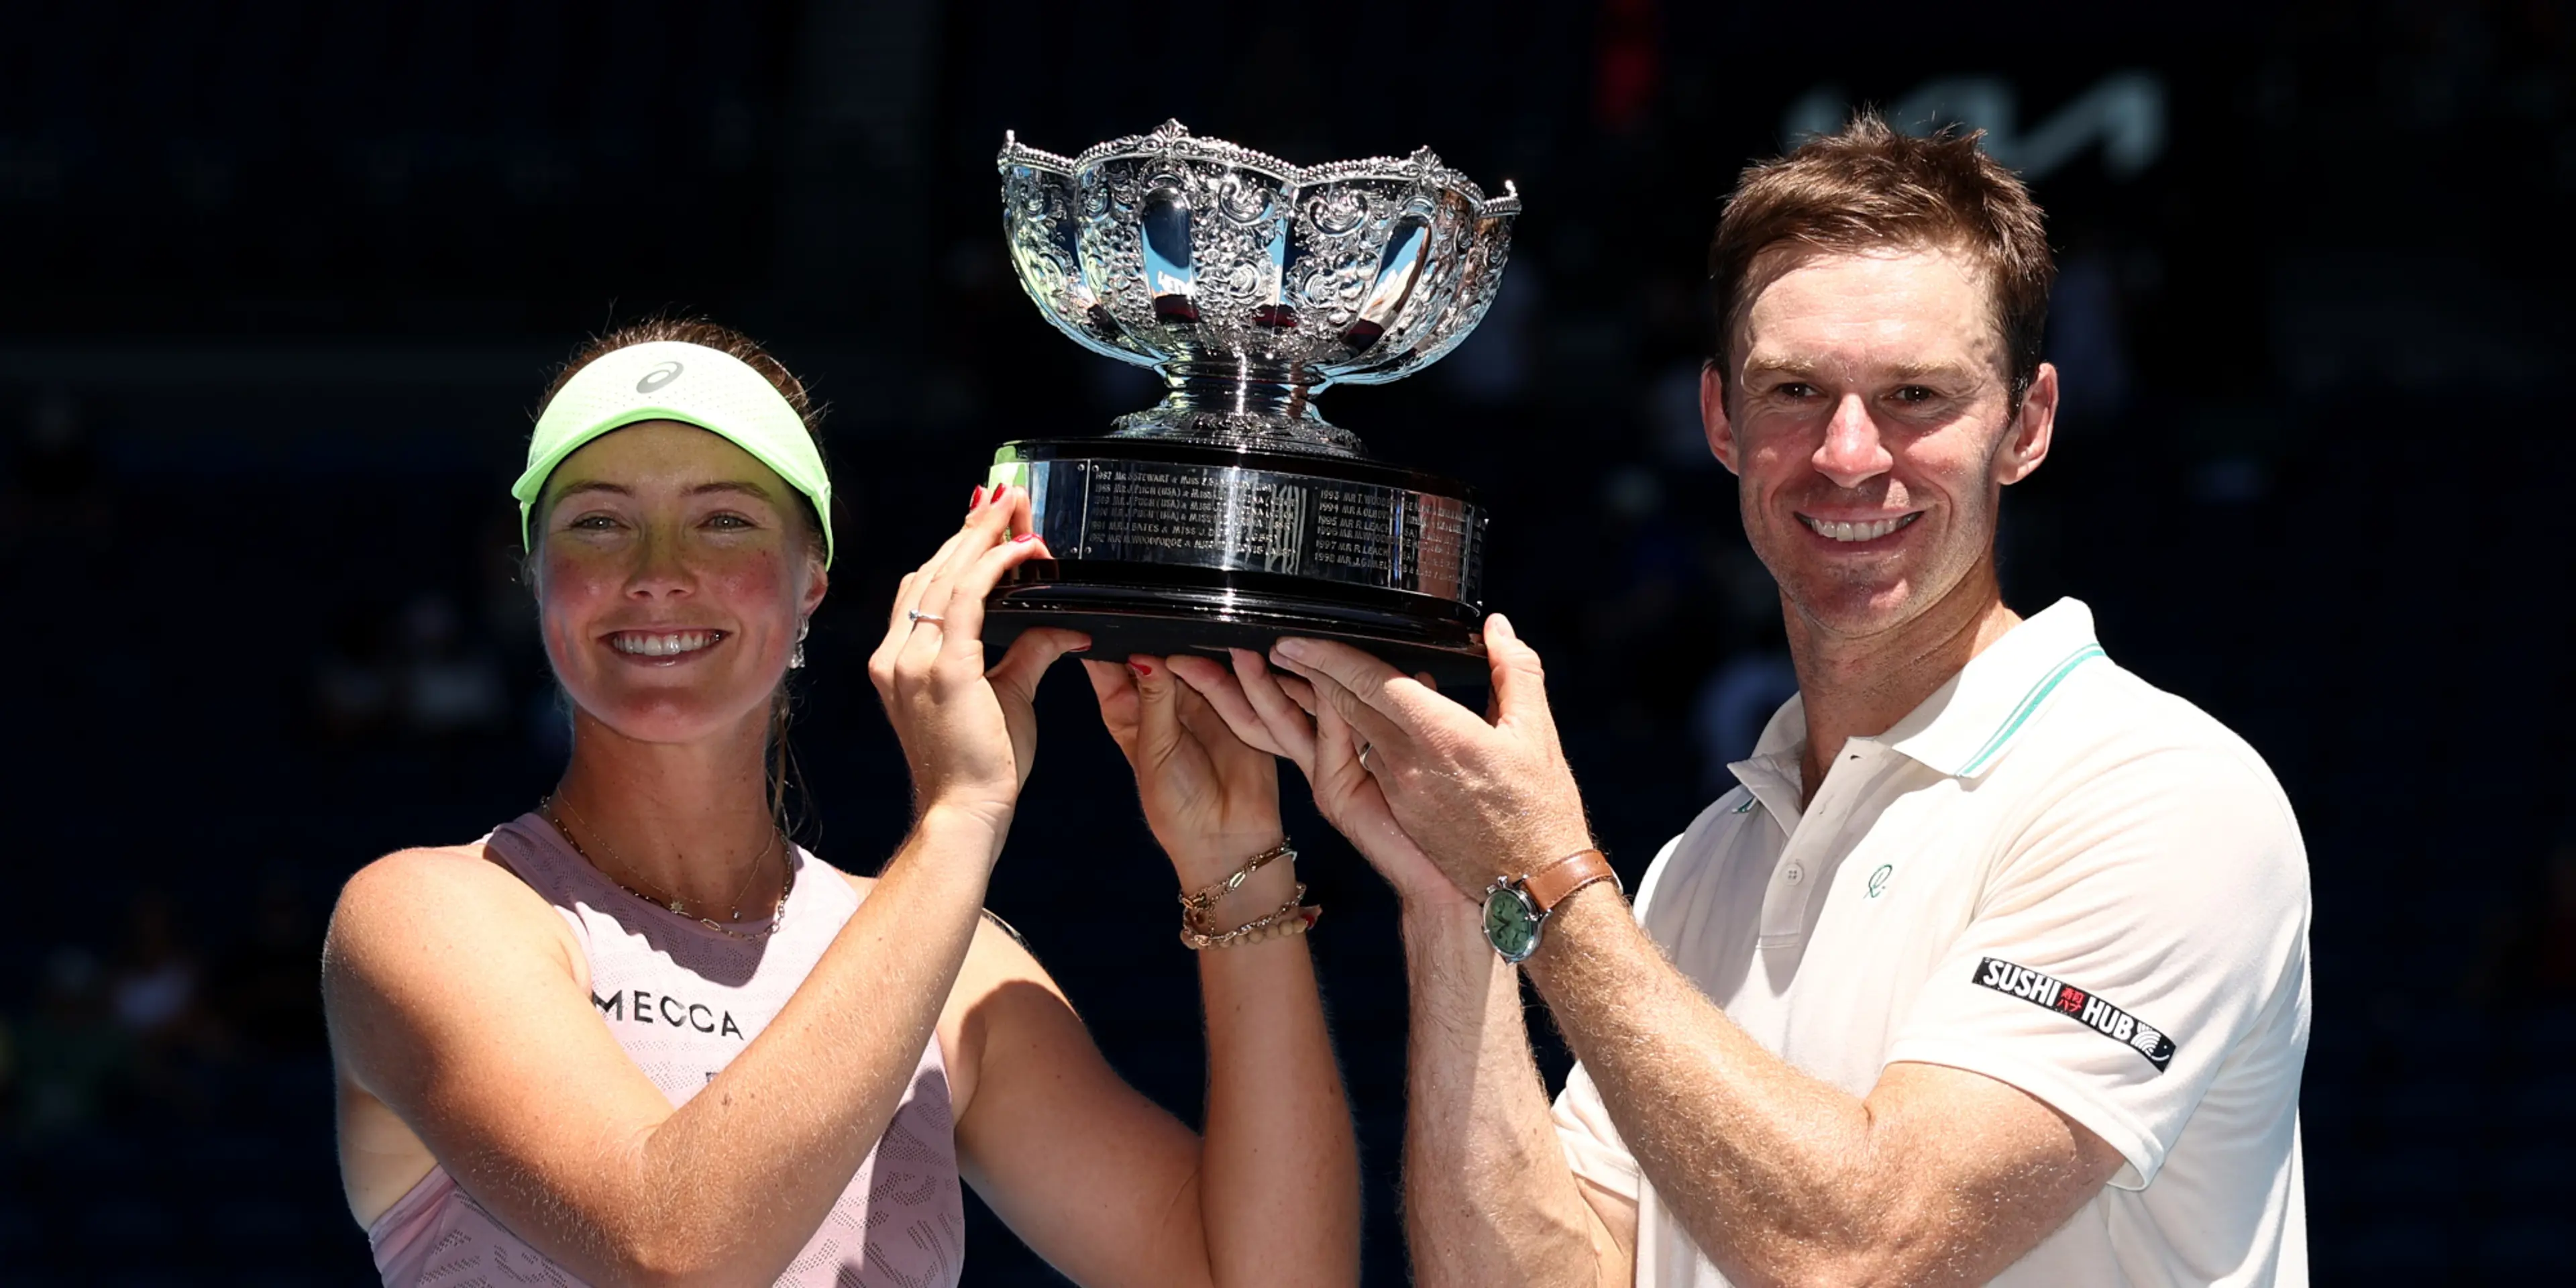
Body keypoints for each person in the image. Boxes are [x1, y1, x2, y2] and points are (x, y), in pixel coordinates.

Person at [1175, 115, 2310, 1286]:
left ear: (2025, 425)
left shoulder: (2162, 799)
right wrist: (1456, 905)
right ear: (1721, 418)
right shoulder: (1701, 865)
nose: (1848, 455)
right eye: (1796, 392)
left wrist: (1550, 879)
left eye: (1918, 394)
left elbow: (1861, 1252)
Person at [321, 319, 1360, 1287]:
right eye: (600, 523)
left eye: (723, 520)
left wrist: (1237, 859)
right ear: (534, 574)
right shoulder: (430, 917)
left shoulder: (957, 970)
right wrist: (960, 815)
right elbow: (673, 1251)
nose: (659, 575)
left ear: (810, 576)